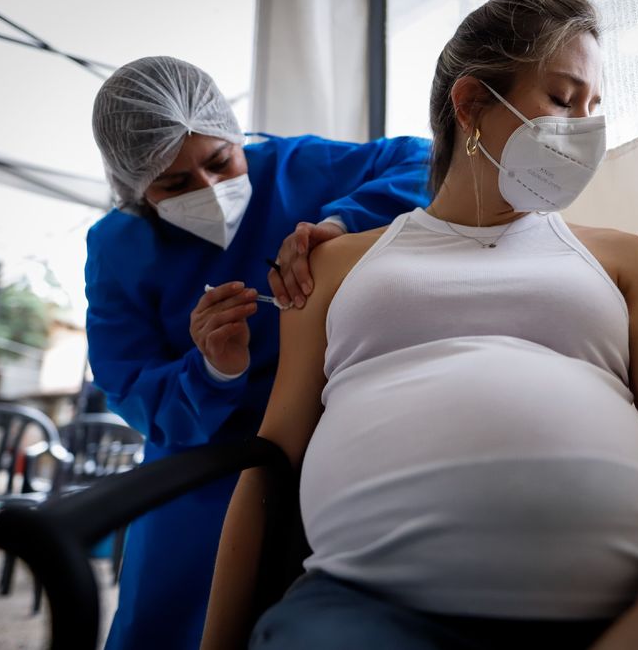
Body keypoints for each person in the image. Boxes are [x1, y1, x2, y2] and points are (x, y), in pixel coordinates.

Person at [203, 0, 638, 650]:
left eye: (594, 107)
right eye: (563, 99)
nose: (585, 129)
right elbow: (269, 466)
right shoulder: (330, 266)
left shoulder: (621, 260)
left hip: (633, 613)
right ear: (472, 103)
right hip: (367, 614)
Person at [85, 56, 431, 649]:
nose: (210, 191)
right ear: (134, 186)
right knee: (175, 620)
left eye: (221, 161)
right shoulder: (118, 248)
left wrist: (341, 224)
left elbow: (427, 162)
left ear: (234, 133)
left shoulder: (298, 168)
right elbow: (130, 387)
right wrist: (213, 369)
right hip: (202, 468)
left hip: (330, 442)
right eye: (175, 185)